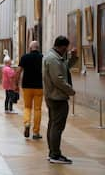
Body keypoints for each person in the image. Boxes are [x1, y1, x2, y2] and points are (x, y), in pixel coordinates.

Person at [43, 36, 77, 164]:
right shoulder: (53, 59)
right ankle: (55, 154)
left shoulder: (55, 57)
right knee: (57, 126)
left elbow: (65, 67)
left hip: (54, 96)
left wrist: (73, 57)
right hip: (56, 97)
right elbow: (58, 79)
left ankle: (53, 152)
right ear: (62, 46)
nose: (66, 50)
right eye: (66, 48)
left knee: (53, 125)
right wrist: (70, 90)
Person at [15, 41, 43, 139]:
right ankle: (36, 132)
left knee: (27, 107)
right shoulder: (42, 57)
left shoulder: (25, 57)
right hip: (39, 86)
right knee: (37, 109)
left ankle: (27, 123)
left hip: (26, 86)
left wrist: (16, 84)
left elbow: (18, 71)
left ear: (30, 48)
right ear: (38, 48)